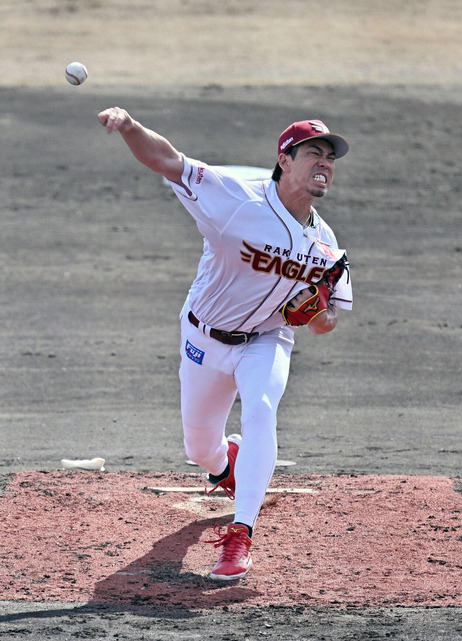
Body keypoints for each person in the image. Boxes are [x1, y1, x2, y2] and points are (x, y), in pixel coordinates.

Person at [97, 109, 353, 581]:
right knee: (200, 447)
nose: (325, 163)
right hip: (204, 336)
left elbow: (328, 322)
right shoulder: (237, 199)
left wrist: (316, 314)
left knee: (261, 409)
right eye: (314, 153)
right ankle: (226, 464)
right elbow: (168, 161)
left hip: (267, 340)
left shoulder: (325, 243)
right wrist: (130, 127)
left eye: (331, 157)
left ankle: (241, 534)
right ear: (284, 159)